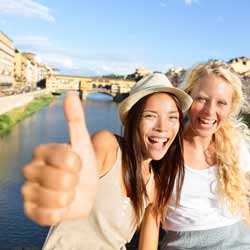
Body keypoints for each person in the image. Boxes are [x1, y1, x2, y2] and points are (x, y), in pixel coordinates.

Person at [22, 72, 192, 250]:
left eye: (173, 117)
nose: (163, 127)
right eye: (150, 116)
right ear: (132, 120)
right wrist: (60, 180)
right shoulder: (108, 146)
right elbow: (80, 174)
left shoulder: (156, 184)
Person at [139, 60, 250, 250]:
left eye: (221, 103)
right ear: (188, 98)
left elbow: (241, 205)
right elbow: (152, 214)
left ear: (231, 108)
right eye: (202, 99)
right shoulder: (165, 146)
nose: (209, 111)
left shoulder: (236, 145)